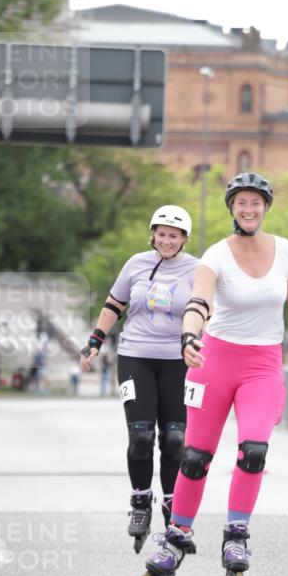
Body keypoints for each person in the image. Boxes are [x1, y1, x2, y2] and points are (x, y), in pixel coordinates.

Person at [140, 172, 288, 576]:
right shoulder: (216, 255)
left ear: (265, 208)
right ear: (231, 208)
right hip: (213, 362)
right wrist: (189, 335)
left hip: (262, 364)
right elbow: (199, 302)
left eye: (256, 203)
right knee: (195, 457)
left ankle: (236, 536)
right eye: (241, 203)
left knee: (253, 451)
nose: (248, 209)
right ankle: (176, 537)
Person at [80, 205, 198, 553]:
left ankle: (172, 506)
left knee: (175, 439)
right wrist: (94, 341)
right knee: (141, 436)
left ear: (184, 239)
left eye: (173, 235)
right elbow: (114, 304)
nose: (166, 240)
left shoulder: (196, 270)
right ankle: (141, 502)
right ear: (153, 235)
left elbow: (208, 313)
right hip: (135, 357)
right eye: (161, 234)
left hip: (179, 362)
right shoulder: (136, 264)